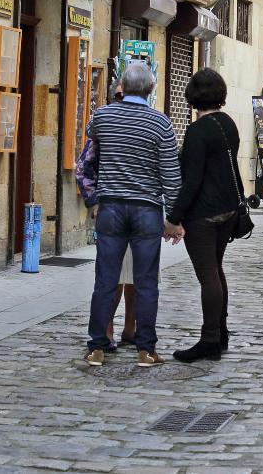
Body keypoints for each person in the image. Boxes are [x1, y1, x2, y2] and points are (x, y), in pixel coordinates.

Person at [83, 62, 183, 369]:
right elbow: (171, 175)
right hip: (146, 210)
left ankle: (97, 348)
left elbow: (91, 151)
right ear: (151, 90)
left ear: (122, 88)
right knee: (146, 282)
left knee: (105, 279)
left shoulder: (101, 117)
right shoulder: (161, 123)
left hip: (111, 206)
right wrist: (174, 219)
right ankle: (145, 351)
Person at [168, 69, 245, 363]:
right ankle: (220, 332)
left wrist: (175, 217)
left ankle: (210, 338)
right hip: (227, 210)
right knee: (216, 269)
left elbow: (192, 180)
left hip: (204, 213)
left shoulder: (199, 130)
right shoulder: (228, 123)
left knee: (208, 275)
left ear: (193, 95)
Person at [75, 81, 135, 350]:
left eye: (128, 95)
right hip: (111, 211)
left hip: (141, 210)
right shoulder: (102, 128)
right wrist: (94, 201)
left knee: (137, 274)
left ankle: (131, 328)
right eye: (119, 96)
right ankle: (107, 329)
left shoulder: (144, 125)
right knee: (113, 274)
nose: (124, 100)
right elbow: (83, 168)